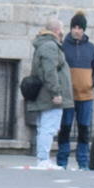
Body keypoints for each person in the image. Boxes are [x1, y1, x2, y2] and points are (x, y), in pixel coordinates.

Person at [59, 12, 94, 170]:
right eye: (74, 27)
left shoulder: (91, 48)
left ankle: (82, 161)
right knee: (65, 128)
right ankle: (62, 160)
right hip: (68, 95)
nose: (76, 31)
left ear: (84, 30)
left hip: (86, 95)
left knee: (84, 129)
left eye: (79, 28)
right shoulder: (62, 47)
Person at [28, 17, 70, 170]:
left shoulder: (46, 44)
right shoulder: (50, 46)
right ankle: (43, 159)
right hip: (49, 94)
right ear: (57, 30)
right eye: (63, 29)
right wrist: (56, 92)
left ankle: (43, 158)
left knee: (45, 127)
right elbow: (50, 71)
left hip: (46, 93)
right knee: (48, 127)